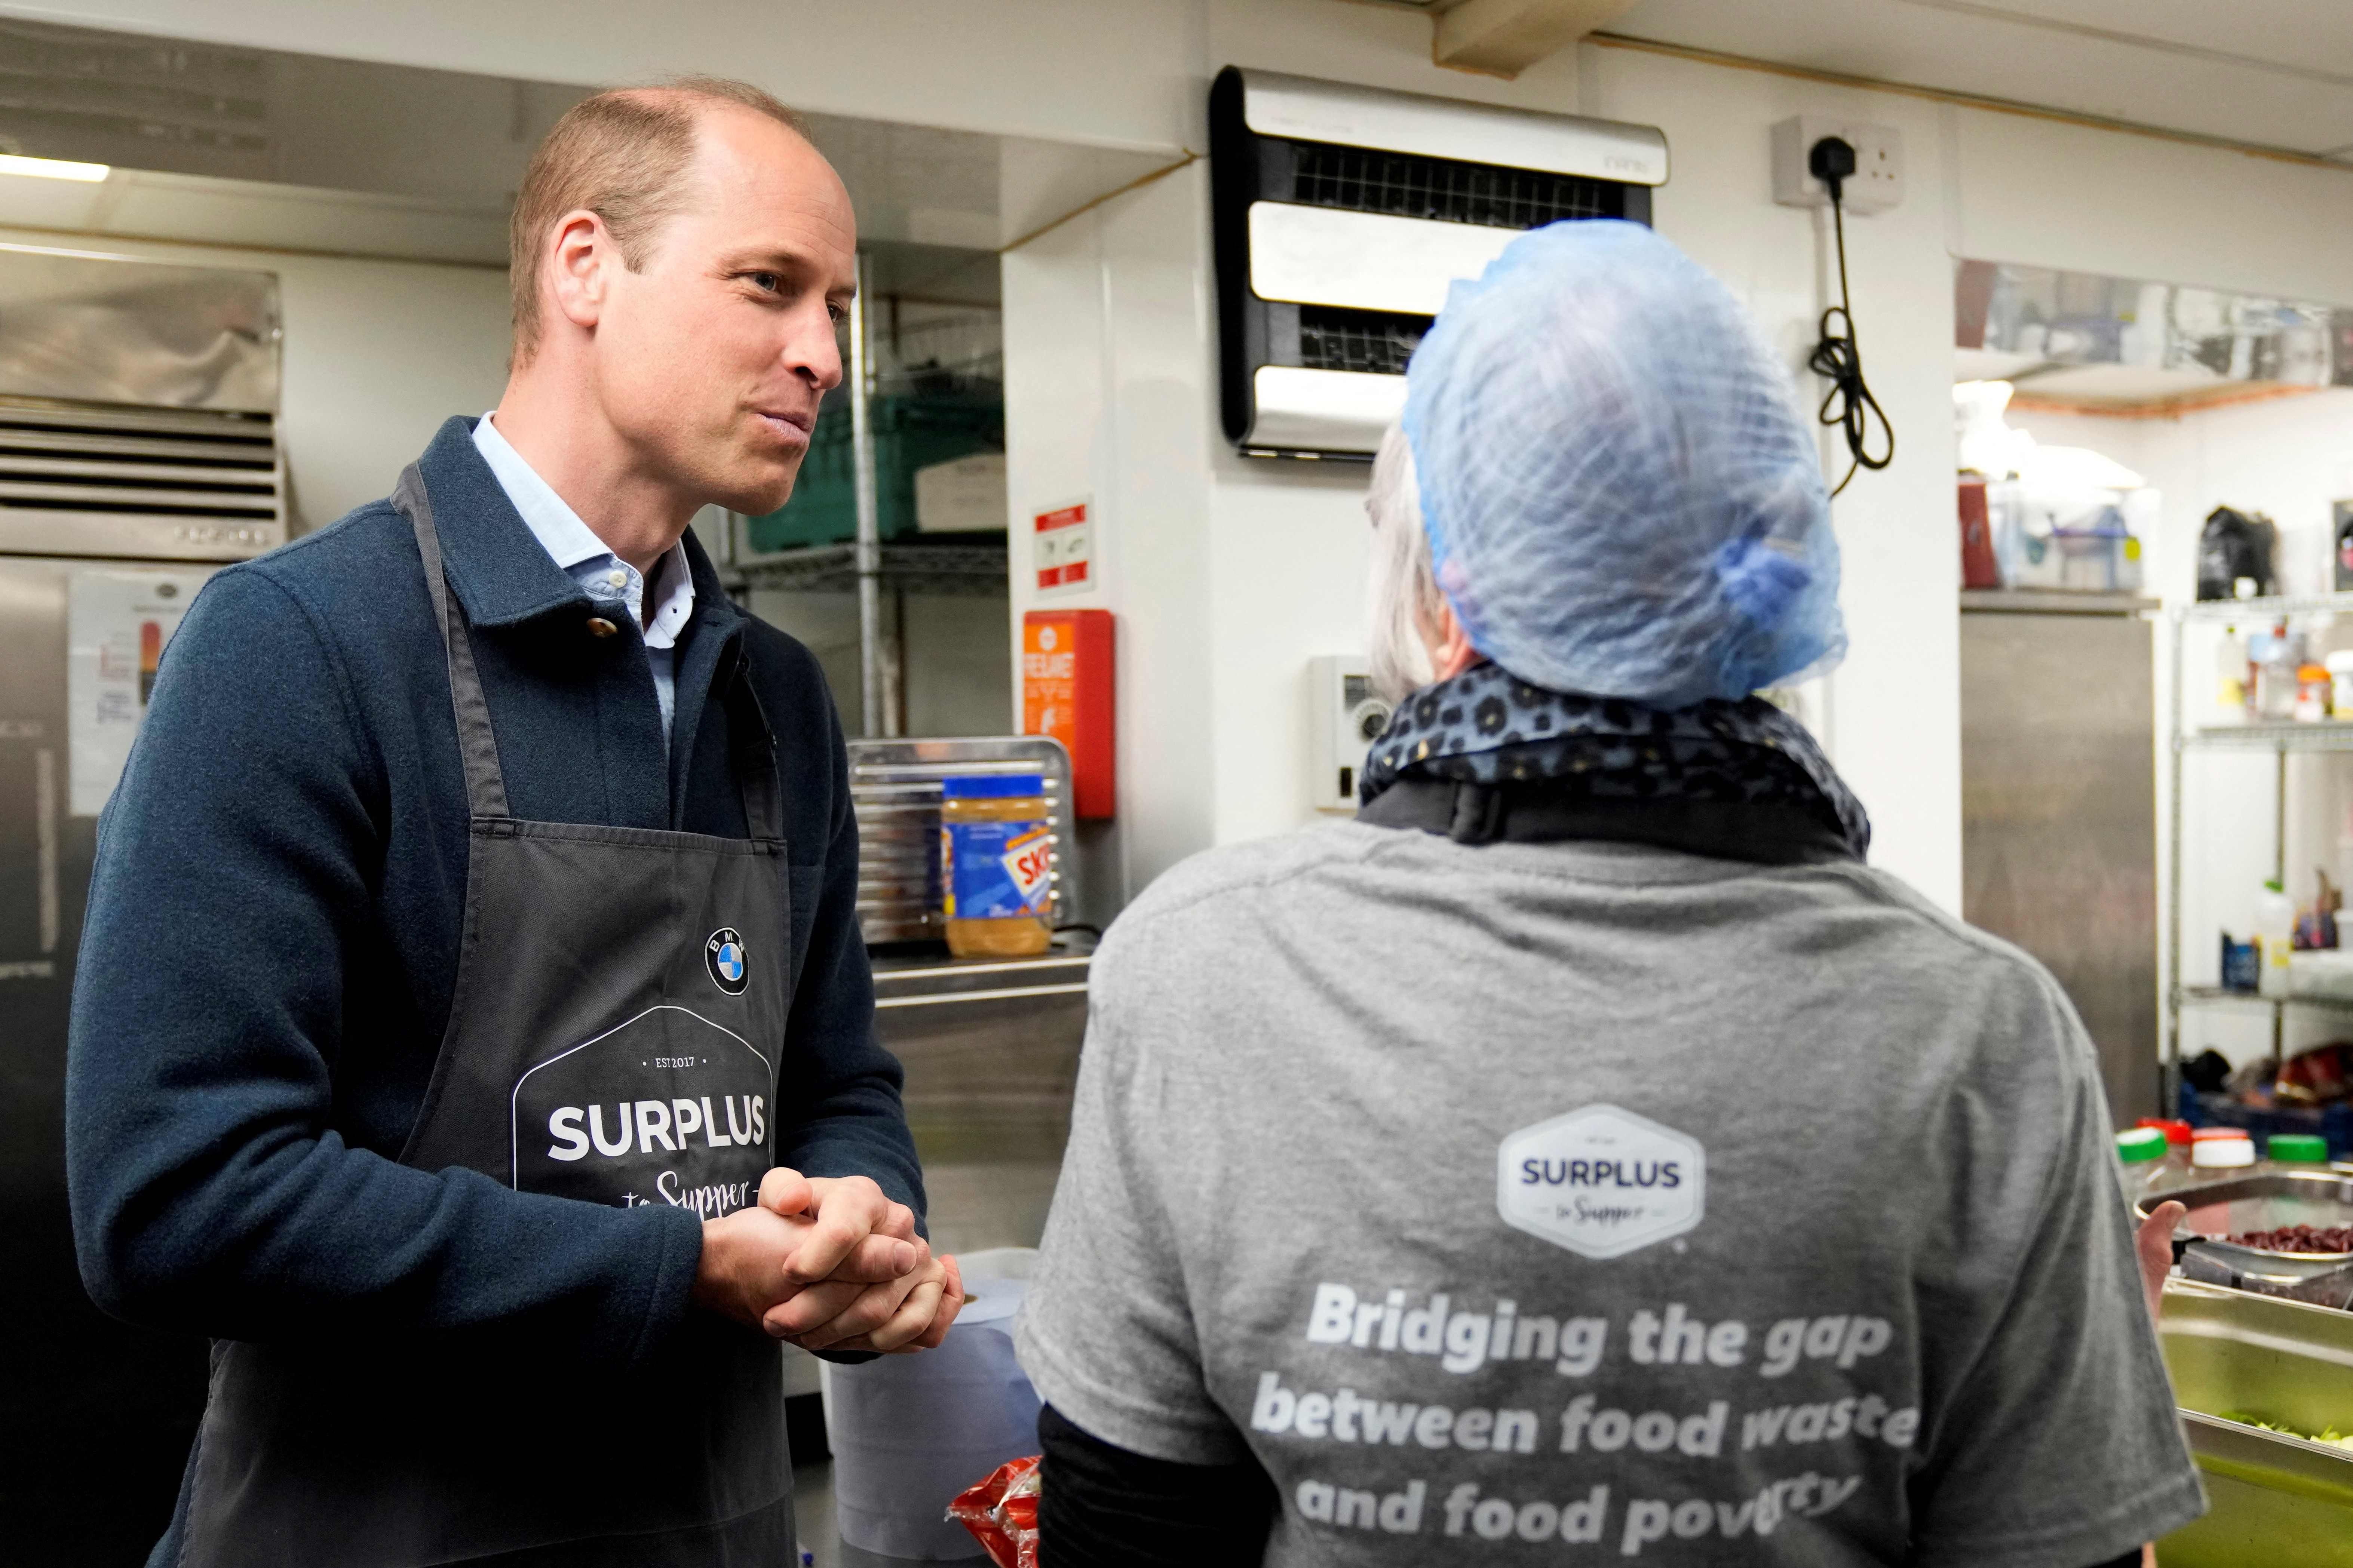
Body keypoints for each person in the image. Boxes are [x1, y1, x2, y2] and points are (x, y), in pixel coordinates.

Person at [1015, 221, 2204, 1566]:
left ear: (1450, 599)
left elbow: (1127, 1530)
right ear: (1762, 573)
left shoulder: (1203, 963)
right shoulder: (1986, 1028)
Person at [65, 79, 960, 1567]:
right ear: (584, 267)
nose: (822, 356)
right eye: (769, 286)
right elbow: (175, 1193)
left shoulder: (774, 697)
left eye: (838, 311)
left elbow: (836, 1076)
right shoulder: (301, 645)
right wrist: (676, 1269)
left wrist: (863, 1218)